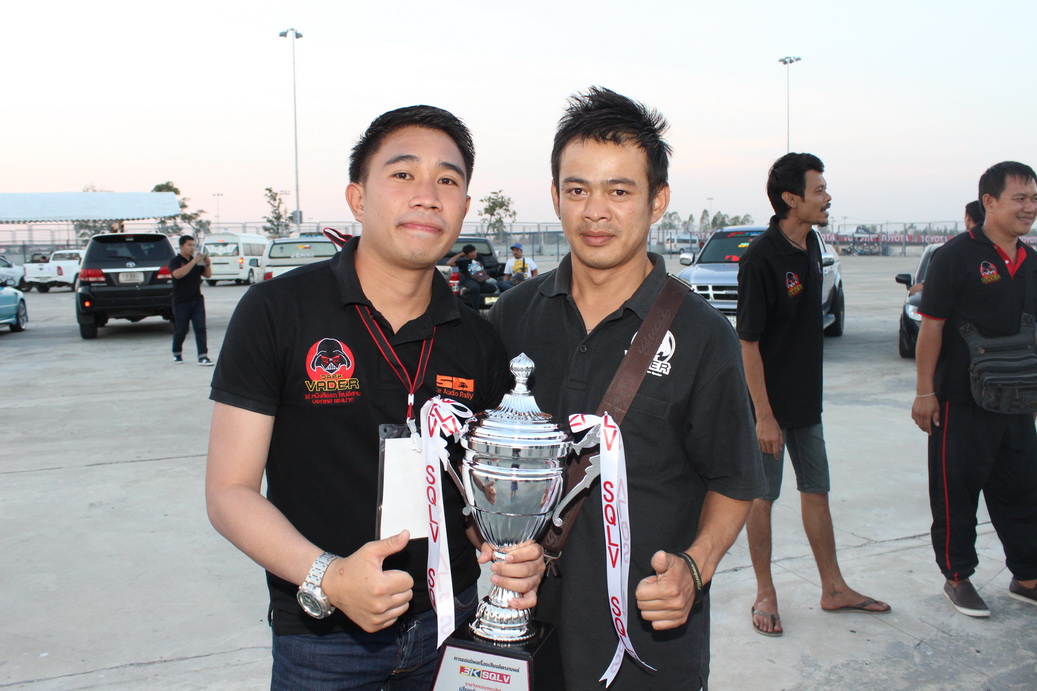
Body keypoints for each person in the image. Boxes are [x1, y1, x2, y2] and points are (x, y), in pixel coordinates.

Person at [205, 105, 545, 689]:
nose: (427, 196)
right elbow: (229, 492)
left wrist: (510, 545)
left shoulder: (478, 339)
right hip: (322, 639)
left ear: (465, 207)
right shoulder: (277, 312)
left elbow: (475, 494)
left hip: (452, 623)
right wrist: (329, 577)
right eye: (403, 174)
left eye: (447, 180)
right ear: (357, 198)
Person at [489, 86, 765, 690]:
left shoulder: (704, 335)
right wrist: (491, 543)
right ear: (555, 195)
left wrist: (694, 568)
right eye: (577, 190)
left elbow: (735, 478)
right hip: (525, 634)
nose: (595, 212)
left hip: (648, 646)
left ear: (657, 200)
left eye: (619, 191)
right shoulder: (511, 318)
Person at [737, 153, 891, 637]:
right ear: (791, 198)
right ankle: (765, 591)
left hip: (807, 403)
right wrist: (764, 416)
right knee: (762, 497)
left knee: (816, 489)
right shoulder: (761, 258)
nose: (827, 198)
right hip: (768, 406)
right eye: (819, 190)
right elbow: (748, 343)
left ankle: (834, 588)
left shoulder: (812, 243)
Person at [911, 161, 1037, 617]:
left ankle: (1027, 576)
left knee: (1023, 491)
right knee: (956, 494)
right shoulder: (955, 256)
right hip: (960, 401)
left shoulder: (1031, 262)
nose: (1029, 208)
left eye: (1034, 199)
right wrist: (925, 393)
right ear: (989, 202)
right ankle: (958, 576)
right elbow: (931, 328)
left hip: (1018, 401)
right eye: (1019, 199)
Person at [169, 235, 213, 365]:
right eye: (189, 245)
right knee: (181, 329)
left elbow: (207, 275)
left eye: (193, 245)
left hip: (197, 300)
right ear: (181, 246)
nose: (192, 248)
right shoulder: (175, 261)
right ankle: (177, 353)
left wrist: (207, 264)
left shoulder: (196, 261)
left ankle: (203, 356)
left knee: (200, 328)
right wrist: (193, 262)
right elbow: (177, 274)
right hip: (181, 301)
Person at [447, 243, 509, 309]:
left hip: (481, 280)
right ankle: (475, 310)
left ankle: (467, 291)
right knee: (475, 288)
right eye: (471, 252)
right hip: (470, 280)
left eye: (474, 251)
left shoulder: (479, 258)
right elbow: (449, 263)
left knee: (492, 288)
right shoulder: (463, 261)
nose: (474, 253)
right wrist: (460, 254)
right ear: (466, 254)